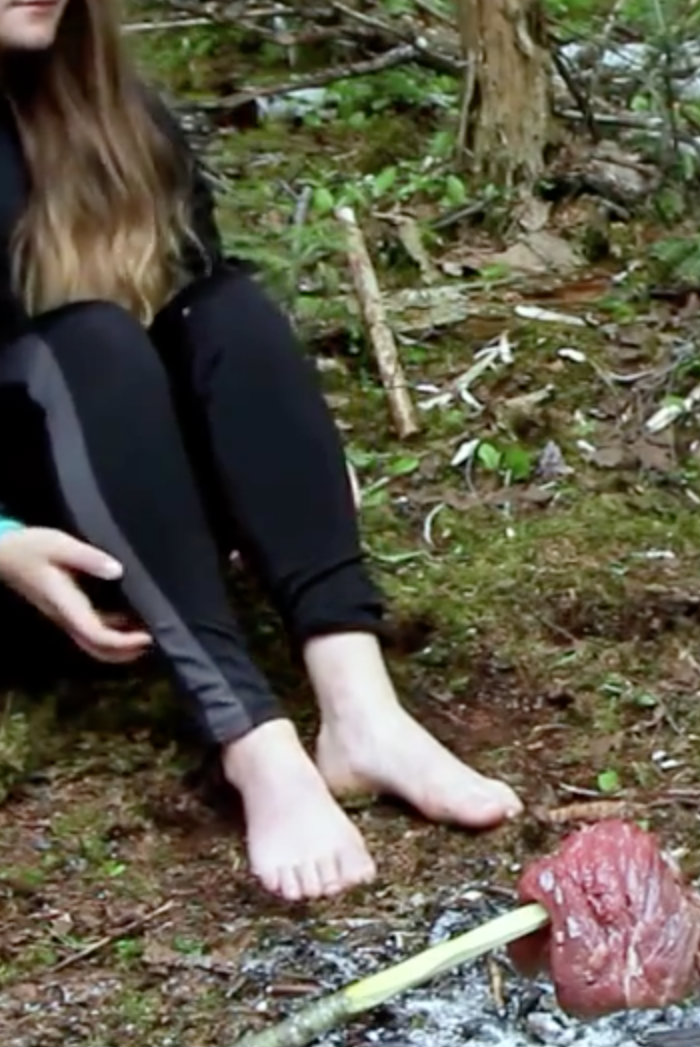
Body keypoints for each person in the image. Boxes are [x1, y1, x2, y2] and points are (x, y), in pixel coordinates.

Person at [0, 0, 524, 903]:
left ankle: (360, 708)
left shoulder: (118, 116)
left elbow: (201, 354)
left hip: (123, 527)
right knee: (85, 340)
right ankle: (255, 746)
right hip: (28, 568)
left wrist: (286, 474)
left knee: (228, 308)